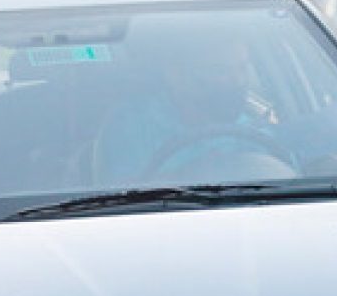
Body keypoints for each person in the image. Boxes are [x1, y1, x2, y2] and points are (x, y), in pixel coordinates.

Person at [92, 28, 293, 186]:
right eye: (219, 71)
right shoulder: (132, 125)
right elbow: (123, 196)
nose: (237, 81)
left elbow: (287, 175)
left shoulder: (252, 128)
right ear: (176, 75)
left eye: (242, 68)